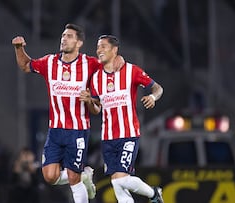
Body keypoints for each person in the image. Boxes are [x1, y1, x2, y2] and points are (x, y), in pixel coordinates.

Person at [11, 23, 124, 202]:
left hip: (77, 131)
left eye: (69, 36)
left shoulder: (90, 63)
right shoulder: (49, 62)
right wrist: (18, 48)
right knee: (49, 176)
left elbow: (113, 64)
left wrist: (117, 62)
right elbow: (26, 65)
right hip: (55, 131)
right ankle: (84, 176)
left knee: (73, 177)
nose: (64, 39)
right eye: (63, 35)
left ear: (79, 43)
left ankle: (80, 178)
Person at [80, 35, 164, 203]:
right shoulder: (96, 78)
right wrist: (89, 101)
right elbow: (97, 109)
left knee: (121, 179)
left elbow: (158, 88)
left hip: (128, 134)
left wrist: (153, 98)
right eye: (98, 47)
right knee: (118, 184)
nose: (99, 50)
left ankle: (154, 193)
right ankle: (154, 194)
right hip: (108, 138)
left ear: (114, 50)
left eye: (103, 46)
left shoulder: (131, 71)